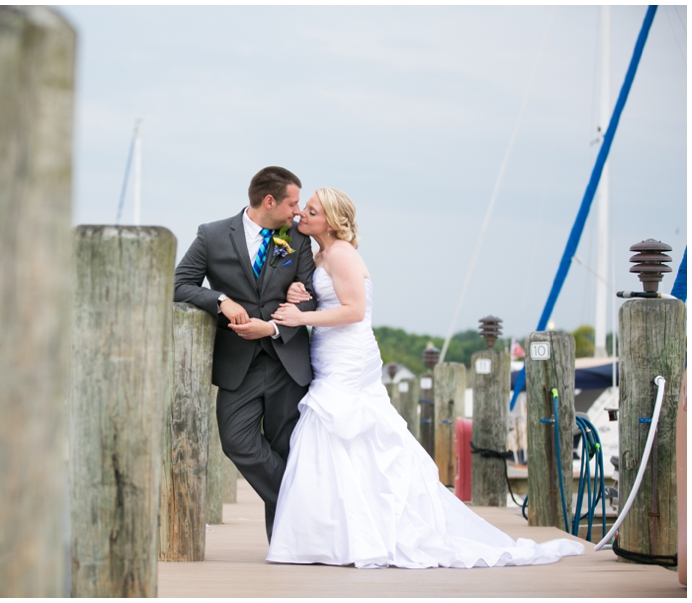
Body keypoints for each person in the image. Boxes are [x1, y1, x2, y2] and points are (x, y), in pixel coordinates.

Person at [266, 188, 585, 568]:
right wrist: (299, 293)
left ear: (332, 222)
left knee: (344, 426)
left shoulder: (342, 255)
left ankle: (365, 532)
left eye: (312, 211)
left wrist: (301, 318)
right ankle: (335, 534)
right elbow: (325, 297)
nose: (302, 214)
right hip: (328, 353)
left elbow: (353, 311)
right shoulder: (318, 254)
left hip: (349, 355)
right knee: (334, 436)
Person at [174, 166, 318, 541]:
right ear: (269, 201)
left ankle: (287, 544)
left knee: (283, 448)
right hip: (239, 363)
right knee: (236, 440)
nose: (297, 212)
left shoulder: (297, 240)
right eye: (292, 203)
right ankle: (306, 507)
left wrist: (273, 324)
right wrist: (219, 300)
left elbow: (314, 299)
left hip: (288, 360)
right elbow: (179, 284)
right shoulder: (212, 235)